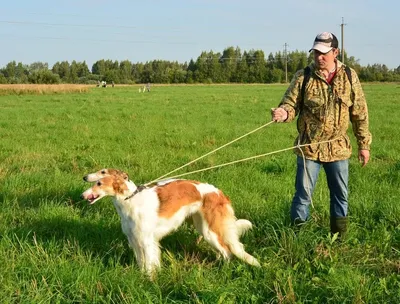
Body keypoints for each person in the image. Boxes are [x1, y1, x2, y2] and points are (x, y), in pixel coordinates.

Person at [271, 32, 372, 237]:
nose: (319, 57)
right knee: (302, 196)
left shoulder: (350, 76)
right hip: (309, 148)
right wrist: (283, 113)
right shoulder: (303, 76)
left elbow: (360, 113)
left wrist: (364, 144)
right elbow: (290, 104)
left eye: (324, 53)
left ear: (336, 52)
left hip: (338, 149)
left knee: (340, 195)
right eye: (316, 52)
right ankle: (298, 238)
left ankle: (339, 238)